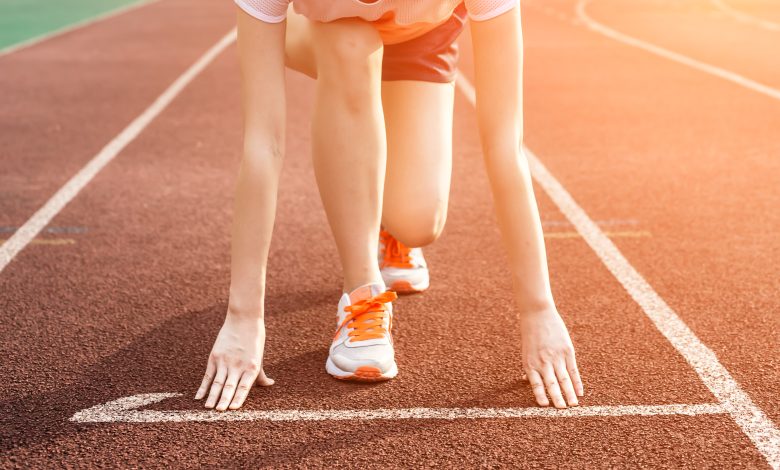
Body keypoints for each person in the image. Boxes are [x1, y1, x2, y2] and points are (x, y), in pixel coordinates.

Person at [195, 0, 584, 412]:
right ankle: (361, 292)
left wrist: (538, 310)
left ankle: (385, 220)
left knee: (418, 222)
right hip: (324, 31)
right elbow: (263, 145)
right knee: (351, 43)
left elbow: (506, 145)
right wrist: (243, 317)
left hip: (419, 37)